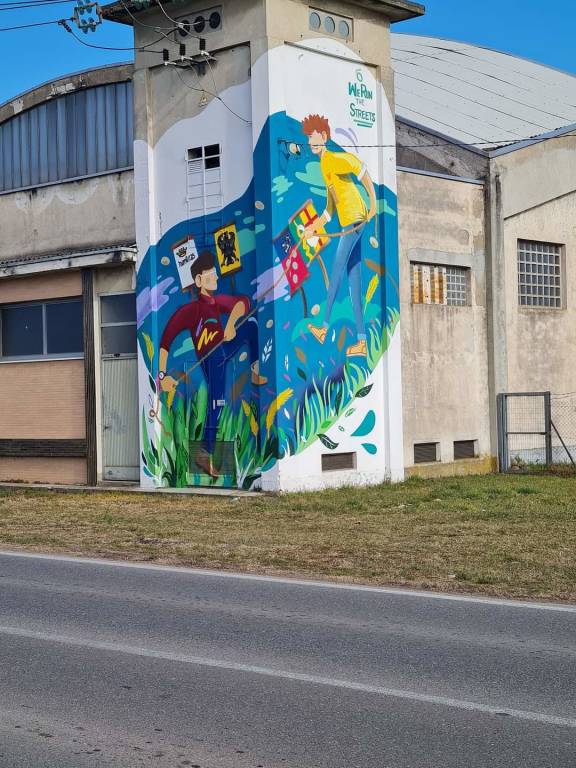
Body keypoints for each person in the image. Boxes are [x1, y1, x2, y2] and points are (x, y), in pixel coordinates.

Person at [158, 251, 266, 478]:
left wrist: (232, 324)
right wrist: (161, 375)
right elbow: (166, 338)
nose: (216, 277)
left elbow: (243, 303)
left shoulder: (217, 302)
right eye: (210, 275)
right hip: (211, 359)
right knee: (216, 404)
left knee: (251, 326)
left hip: (224, 350)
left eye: (216, 273)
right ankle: (204, 454)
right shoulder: (191, 310)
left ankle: (255, 371)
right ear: (198, 281)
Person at [300, 114, 377, 357]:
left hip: (355, 220)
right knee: (354, 281)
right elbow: (329, 209)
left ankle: (323, 327)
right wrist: (314, 227)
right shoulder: (325, 167)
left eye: (313, 137)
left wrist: (373, 202)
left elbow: (358, 166)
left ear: (323, 136)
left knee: (336, 269)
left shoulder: (332, 159)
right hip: (349, 222)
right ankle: (362, 342)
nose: (310, 142)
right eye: (308, 138)